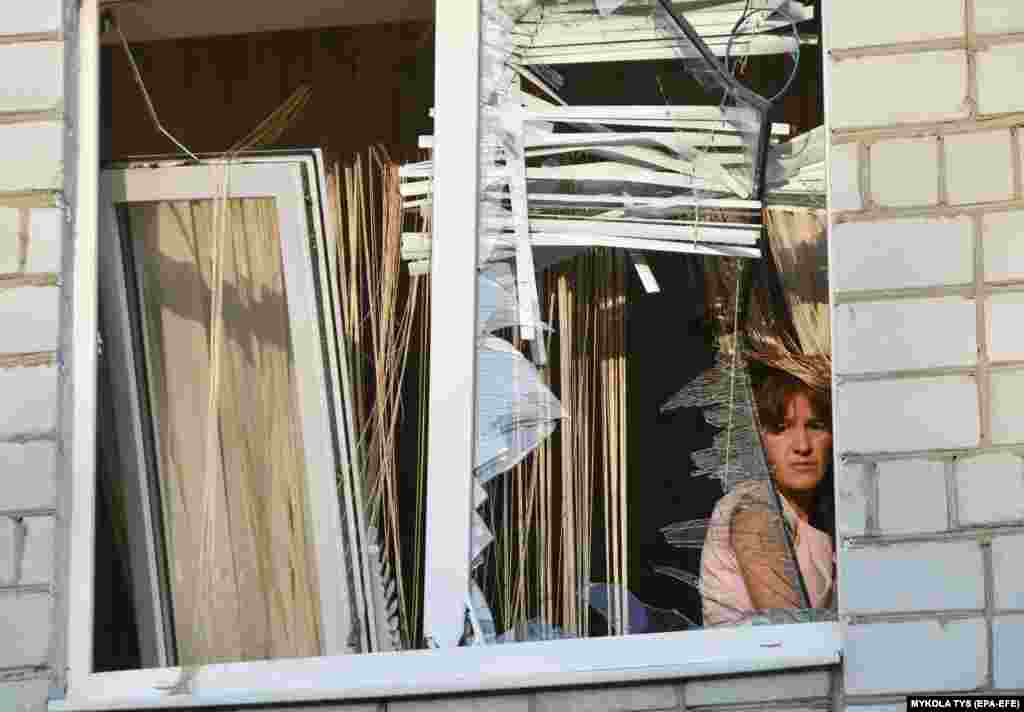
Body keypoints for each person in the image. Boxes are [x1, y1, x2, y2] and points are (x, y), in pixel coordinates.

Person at [700, 357, 835, 626]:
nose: (802, 446)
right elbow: (792, 637)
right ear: (760, 440)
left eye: (815, 426)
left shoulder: (821, 519)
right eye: (781, 429)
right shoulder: (756, 510)